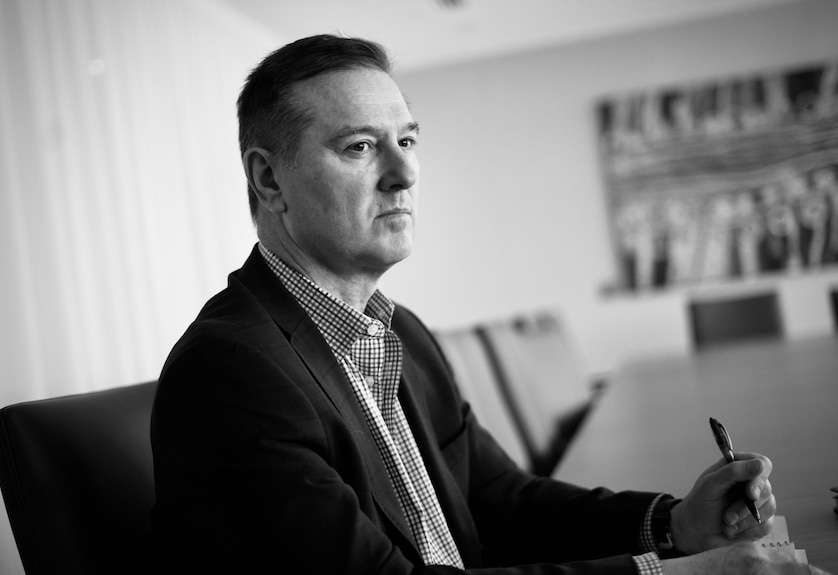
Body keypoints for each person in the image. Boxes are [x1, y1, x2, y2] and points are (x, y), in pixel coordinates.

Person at [150, 34, 828, 575]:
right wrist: (667, 572)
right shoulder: (232, 372)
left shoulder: (400, 333)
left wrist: (673, 525)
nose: (405, 171)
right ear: (269, 178)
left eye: (407, 140)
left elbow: (498, 500)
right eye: (360, 146)